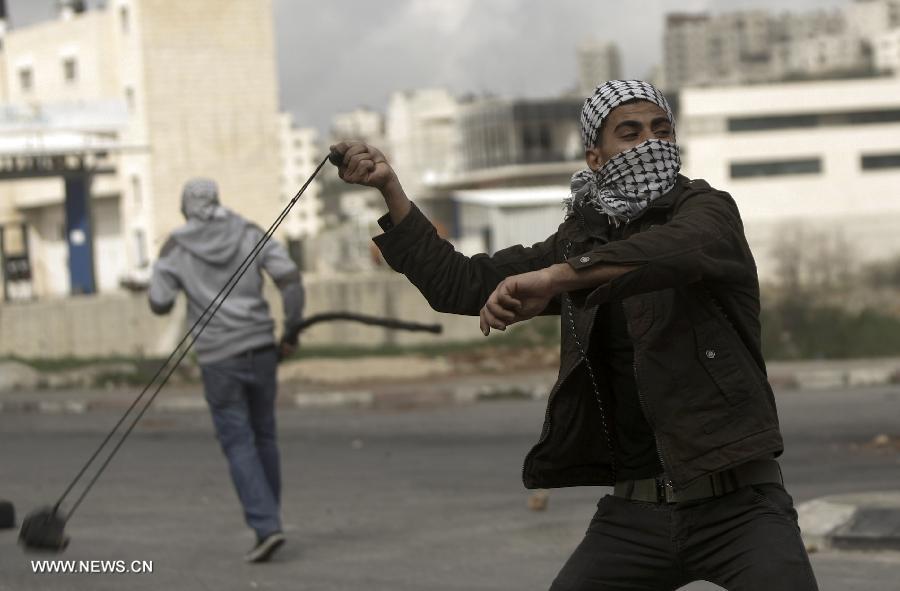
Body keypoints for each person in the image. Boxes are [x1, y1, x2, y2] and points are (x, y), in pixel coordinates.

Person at [331, 80, 819, 590]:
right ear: (595, 156)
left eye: (661, 130)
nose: (650, 143)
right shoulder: (580, 240)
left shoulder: (706, 211)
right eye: (629, 133)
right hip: (636, 516)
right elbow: (463, 283)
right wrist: (391, 189)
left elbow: (671, 252)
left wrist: (556, 278)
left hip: (741, 509)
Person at [148, 178, 304, 563]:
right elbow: (290, 279)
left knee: (238, 442)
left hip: (219, 358)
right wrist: (292, 330)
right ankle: (272, 519)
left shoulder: (176, 244)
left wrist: (177, 284)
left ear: (185, 207)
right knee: (264, 435)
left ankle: (267, 526)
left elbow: (159, 302)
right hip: (262, 348)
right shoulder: (249, 230)